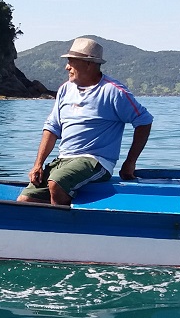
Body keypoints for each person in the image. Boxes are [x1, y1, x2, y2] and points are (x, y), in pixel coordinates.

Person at [18, 37, 154, 206]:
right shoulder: (65, 89)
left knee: (57, 183)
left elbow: (144, 121)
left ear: (89, 64)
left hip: (95, 161)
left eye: (71, 62)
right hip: (64, 159)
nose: (67, 67)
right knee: (25, 200)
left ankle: (64, 229)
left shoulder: (113, 91)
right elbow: (52, 128)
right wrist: (38, 164)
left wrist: (130, 162)